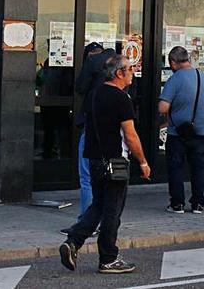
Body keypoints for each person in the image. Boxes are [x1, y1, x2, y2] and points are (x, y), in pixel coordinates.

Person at [59, 53, 150, 275]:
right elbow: (130, 135)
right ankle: (108, 258)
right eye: (129, 69)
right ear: (119, 73)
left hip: (95, 159)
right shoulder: (121, 98)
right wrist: (143, 161)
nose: (132, 73)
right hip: (115, 160)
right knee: (112, 211)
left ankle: (73, 241)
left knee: (98, 205)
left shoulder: (96, 94)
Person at [160, 46, 204, 214]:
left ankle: (177, 204)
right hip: (203, 129)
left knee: (176, 166)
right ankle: (198, 204)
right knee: (198, 167)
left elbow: (163, 107)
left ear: (173, 62)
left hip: (179, 131)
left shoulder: (175, 79)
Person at [73, 43, 108, 215]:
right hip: (112, 131)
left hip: (92, 126)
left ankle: (87, 221)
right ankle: (104, 221)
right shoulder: (119, 66)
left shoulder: (92, 63)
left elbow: (80, 87)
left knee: (87, 177)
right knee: (108, 178)